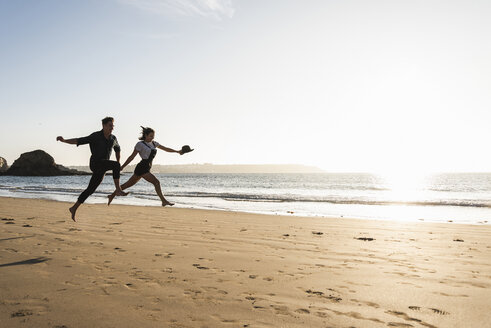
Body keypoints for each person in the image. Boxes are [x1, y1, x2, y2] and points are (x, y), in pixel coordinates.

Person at [57, 117, 127, 221]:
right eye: (110, 125)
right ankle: (118, 189)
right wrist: (64, 140)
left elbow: (117, 150)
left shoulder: (113, 138)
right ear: (103, 125)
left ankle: (74, 208)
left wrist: (118, 160)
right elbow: (79, 140)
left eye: (113, 126)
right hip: (95, 163)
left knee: (90, 189)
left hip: (103, 166)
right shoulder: (95, 136)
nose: (112, 128)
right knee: (116, 165)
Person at [107, 126, 185, 206]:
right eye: (150, 136)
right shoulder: (140, 144)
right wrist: (123, 166)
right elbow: (132, 156)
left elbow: (165, 148)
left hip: (147, 167)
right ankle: (164, 201)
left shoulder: (154, 143)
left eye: (153, 136)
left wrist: (177, 151)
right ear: (146, 135)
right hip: (142, 167)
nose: (152, 138)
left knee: (127, 185)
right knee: (156, 182)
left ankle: (111, 196)